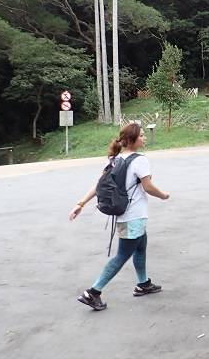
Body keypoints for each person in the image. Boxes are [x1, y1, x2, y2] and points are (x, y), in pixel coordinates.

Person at [69, 123, 170, 311]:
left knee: (141, 246)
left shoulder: (114, 159)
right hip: (133, 216)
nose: (144, 138)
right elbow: (147, 187)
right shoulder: (140, 160)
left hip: (126, 216)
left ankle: (143, 283)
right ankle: (93, 292)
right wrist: (164, 195)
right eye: (141, 135)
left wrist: (80, 203)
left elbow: (98, 185)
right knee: (123, 255)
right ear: (132, 140)